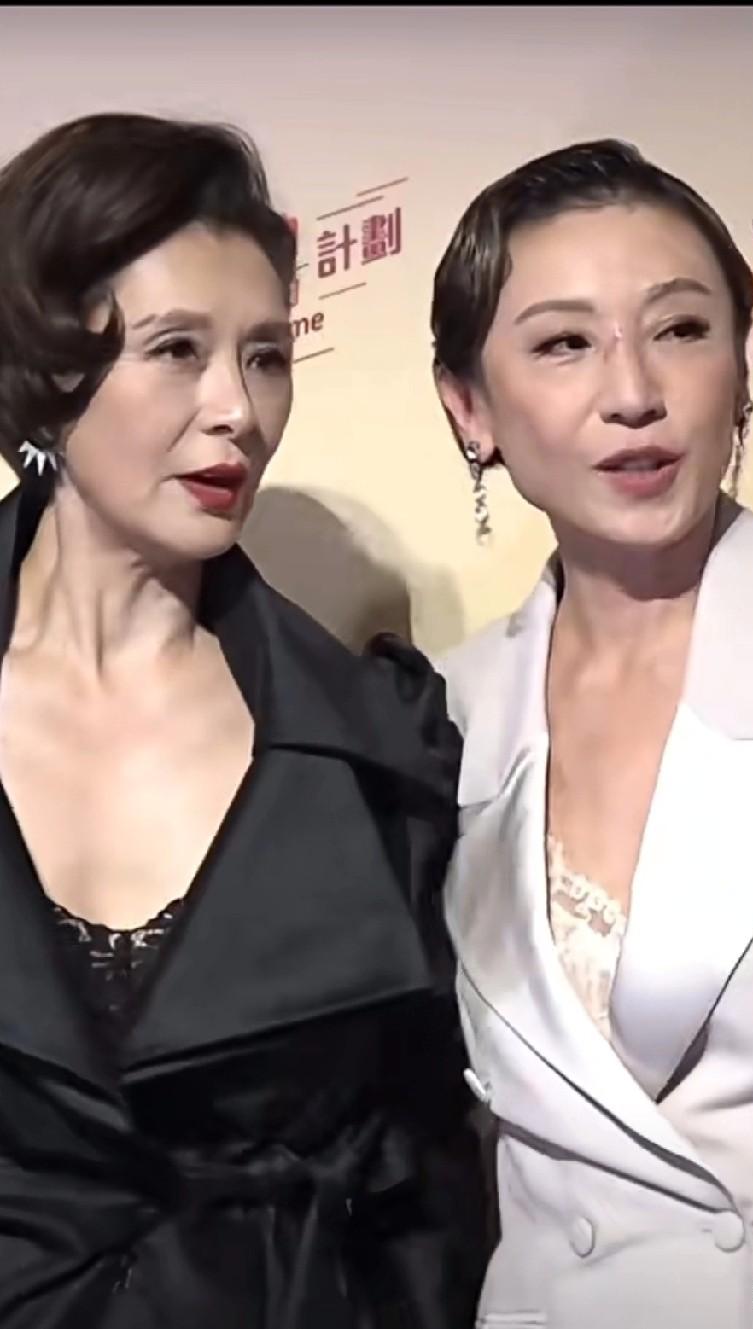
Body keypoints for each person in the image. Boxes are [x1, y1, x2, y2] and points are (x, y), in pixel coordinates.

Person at [0, 111, 486, 1328]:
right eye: (177, 350)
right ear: (50, 369)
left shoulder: (380, 743)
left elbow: (424, 1185)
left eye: (267, 356)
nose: (238, 410)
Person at [430, 137, 753, 1328]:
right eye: (563, 344)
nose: (633, 391)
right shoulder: (438, 713)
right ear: (470, 408)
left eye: (681, 328)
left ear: (743, 367)